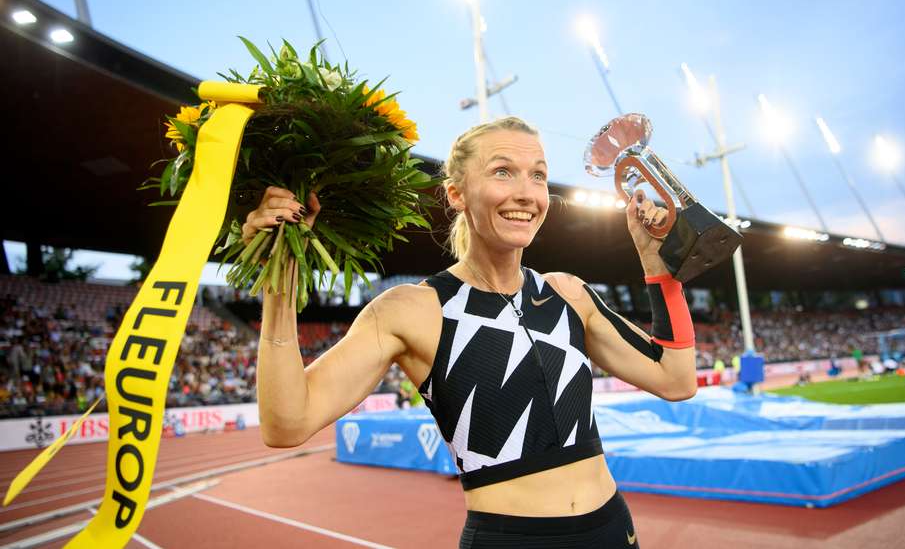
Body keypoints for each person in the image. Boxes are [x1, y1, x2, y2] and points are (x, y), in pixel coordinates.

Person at [246, 117, 697, 548]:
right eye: (502, 171)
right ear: (456, 193)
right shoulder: (411, 310)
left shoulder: (568, 294)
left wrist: (656, 266)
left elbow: (676, 379)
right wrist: (279, 279)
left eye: (538, 175)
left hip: (611, 531)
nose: (526, 193)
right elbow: (287, 424)